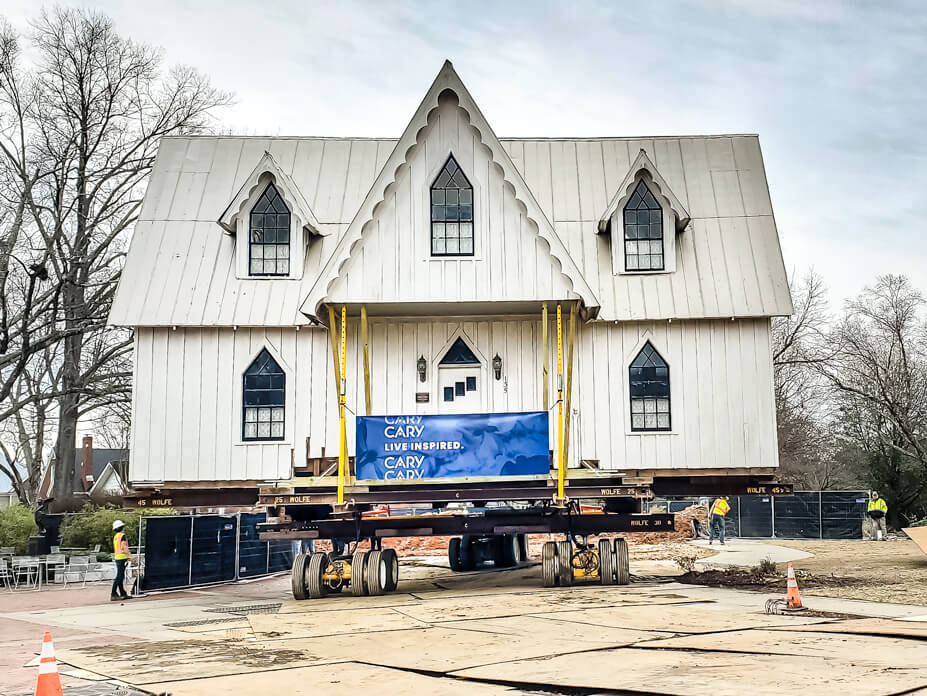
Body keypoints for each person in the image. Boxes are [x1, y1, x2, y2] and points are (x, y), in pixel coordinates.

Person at [111, 520, 134, 601]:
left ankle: (122, 593)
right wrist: (130, 556)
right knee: (119, 577)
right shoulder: (122, 535)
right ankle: (113, 594)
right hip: (122, 557)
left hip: (117, 557)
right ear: (121, 527)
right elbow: (124, 547)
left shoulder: (116, 536)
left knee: (120, 576)